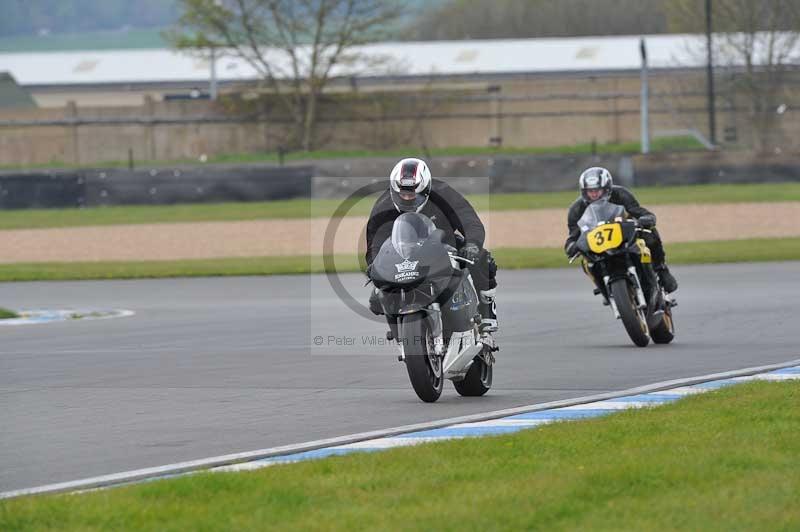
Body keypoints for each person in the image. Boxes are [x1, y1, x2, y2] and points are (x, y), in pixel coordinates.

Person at [365, 157, 499, 337]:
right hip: (401, 252)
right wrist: (375, 265)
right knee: (379, 291)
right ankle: (398, 329)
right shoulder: (383, 207)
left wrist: (472, 245)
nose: (407, 199)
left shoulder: (444, 194)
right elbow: (375, 243)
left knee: (482, 258)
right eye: (402, 194)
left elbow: (470, 222)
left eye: (413, 195)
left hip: (444, 245)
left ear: (426, 190)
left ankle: (486, 309)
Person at [563, 167, 678, 293]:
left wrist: (646, 219)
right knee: (586, 262)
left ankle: (661, 270)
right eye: (590, 191)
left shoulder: (621, 194)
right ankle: (603, 288)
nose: (594, 194)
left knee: (649, 233)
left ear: (607, 188)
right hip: (599, 246)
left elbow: (638, 211)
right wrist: (571, 246)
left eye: (597, 190)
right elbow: (573, 235)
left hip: (625, 236)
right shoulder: (576, 209)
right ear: (584, 192)